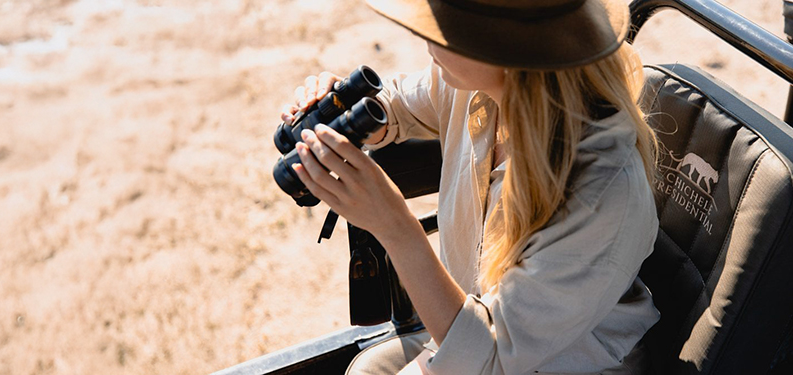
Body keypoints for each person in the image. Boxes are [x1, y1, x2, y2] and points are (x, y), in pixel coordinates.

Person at [279, 0, 660, 373]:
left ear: (503, 51)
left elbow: (490, 356)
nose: (424, 36)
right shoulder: (478, 87)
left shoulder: (602, 193)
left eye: (444, 28)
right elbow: (398, 105)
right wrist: (346, 109)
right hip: (473, 330)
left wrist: (395, 226)